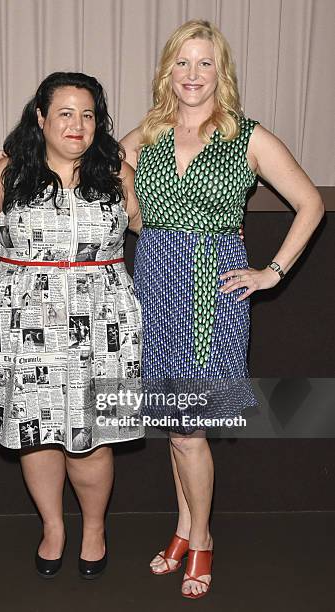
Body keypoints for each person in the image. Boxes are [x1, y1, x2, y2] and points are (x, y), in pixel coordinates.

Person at [120, 19, 324, 599]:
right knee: (172, 424)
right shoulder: (151, 132)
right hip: (155, 284)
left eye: (204, 63)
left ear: (222, 72)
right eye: (182, 62)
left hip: (213, 293)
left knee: (189, 430)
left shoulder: (247, 136)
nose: (192, 75)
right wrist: (15, 157)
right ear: (168, 71)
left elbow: (310, 204)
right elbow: (94, 153)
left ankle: (203, 539)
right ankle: (183, 528)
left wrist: (271, 273)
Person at [0, 72, 143, 579]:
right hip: (23, 320)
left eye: (88, 114)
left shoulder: (117, 173)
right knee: (37, 433)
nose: (78, 124)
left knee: (93, 434)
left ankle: (94, 528)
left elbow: (156, 224)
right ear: (41, 118)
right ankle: (53, 527)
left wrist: (219, 222)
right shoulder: (8, 173)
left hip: (102, 322)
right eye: (65, 113)